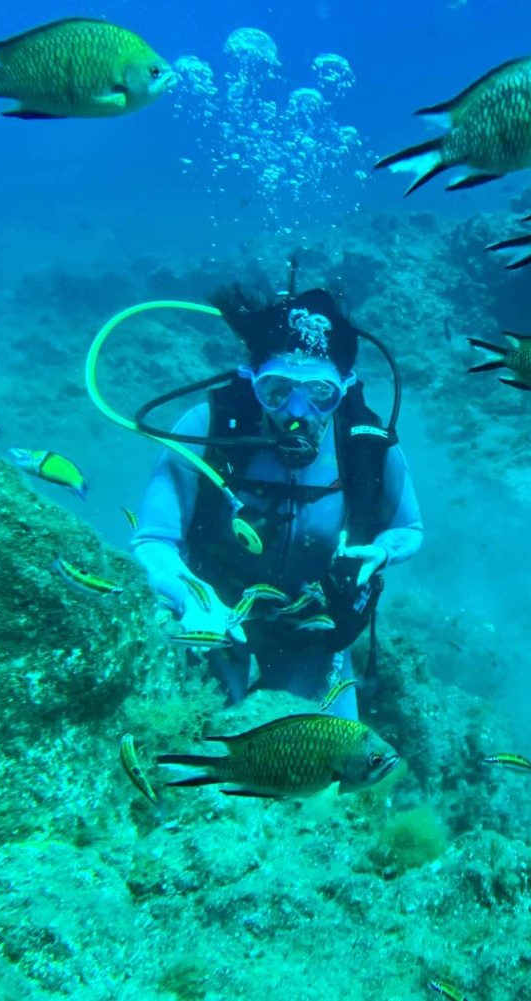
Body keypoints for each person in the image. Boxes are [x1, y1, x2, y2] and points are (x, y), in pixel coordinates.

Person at [131, 283, 423, 719]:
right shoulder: (207, 427)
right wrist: (189, 597)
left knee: (327, 772)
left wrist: (382, 551)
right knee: (194, 746)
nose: (298, 412)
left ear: (345, 386)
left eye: (320, 393)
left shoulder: (367, 449)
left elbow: (410, 529)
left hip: (313, 627)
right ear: (251, 381)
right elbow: (153, 539)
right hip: (211, 619)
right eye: (277, 390)